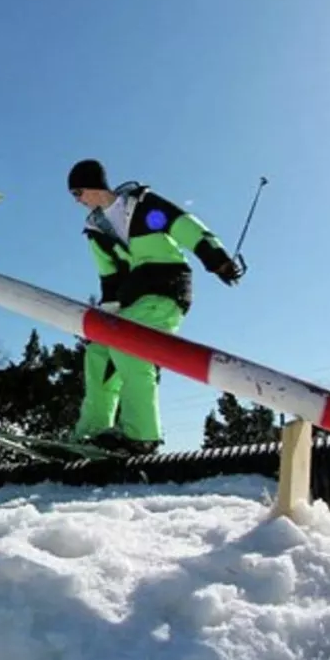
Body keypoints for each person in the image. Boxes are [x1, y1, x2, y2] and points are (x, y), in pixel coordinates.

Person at [66, 158, 244, 454]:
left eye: (77, 193)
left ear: (92, 186)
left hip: (166, 287)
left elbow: (183, 225)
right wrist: (104, 326)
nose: (77, 201)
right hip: (133, 297)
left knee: (129, 346)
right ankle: (92, 433)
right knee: (98, 351)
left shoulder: (142, 204)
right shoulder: (96, 230)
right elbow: (109, 280)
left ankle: (141, 436)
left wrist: (217, 259)